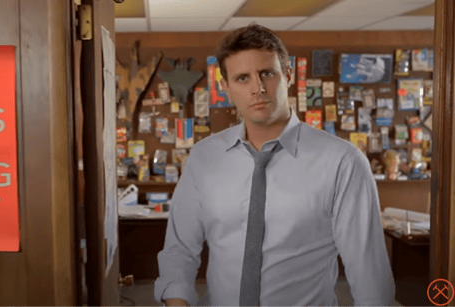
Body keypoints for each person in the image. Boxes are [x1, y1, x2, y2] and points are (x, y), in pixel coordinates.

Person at [154, 23, 395, 307]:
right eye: (242, 78)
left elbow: (369, 276)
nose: (257, 88)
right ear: (226, 87)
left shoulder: (343, 162)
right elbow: (179, 252)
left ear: (288, 75)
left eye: (267, 74)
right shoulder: (204, 157)